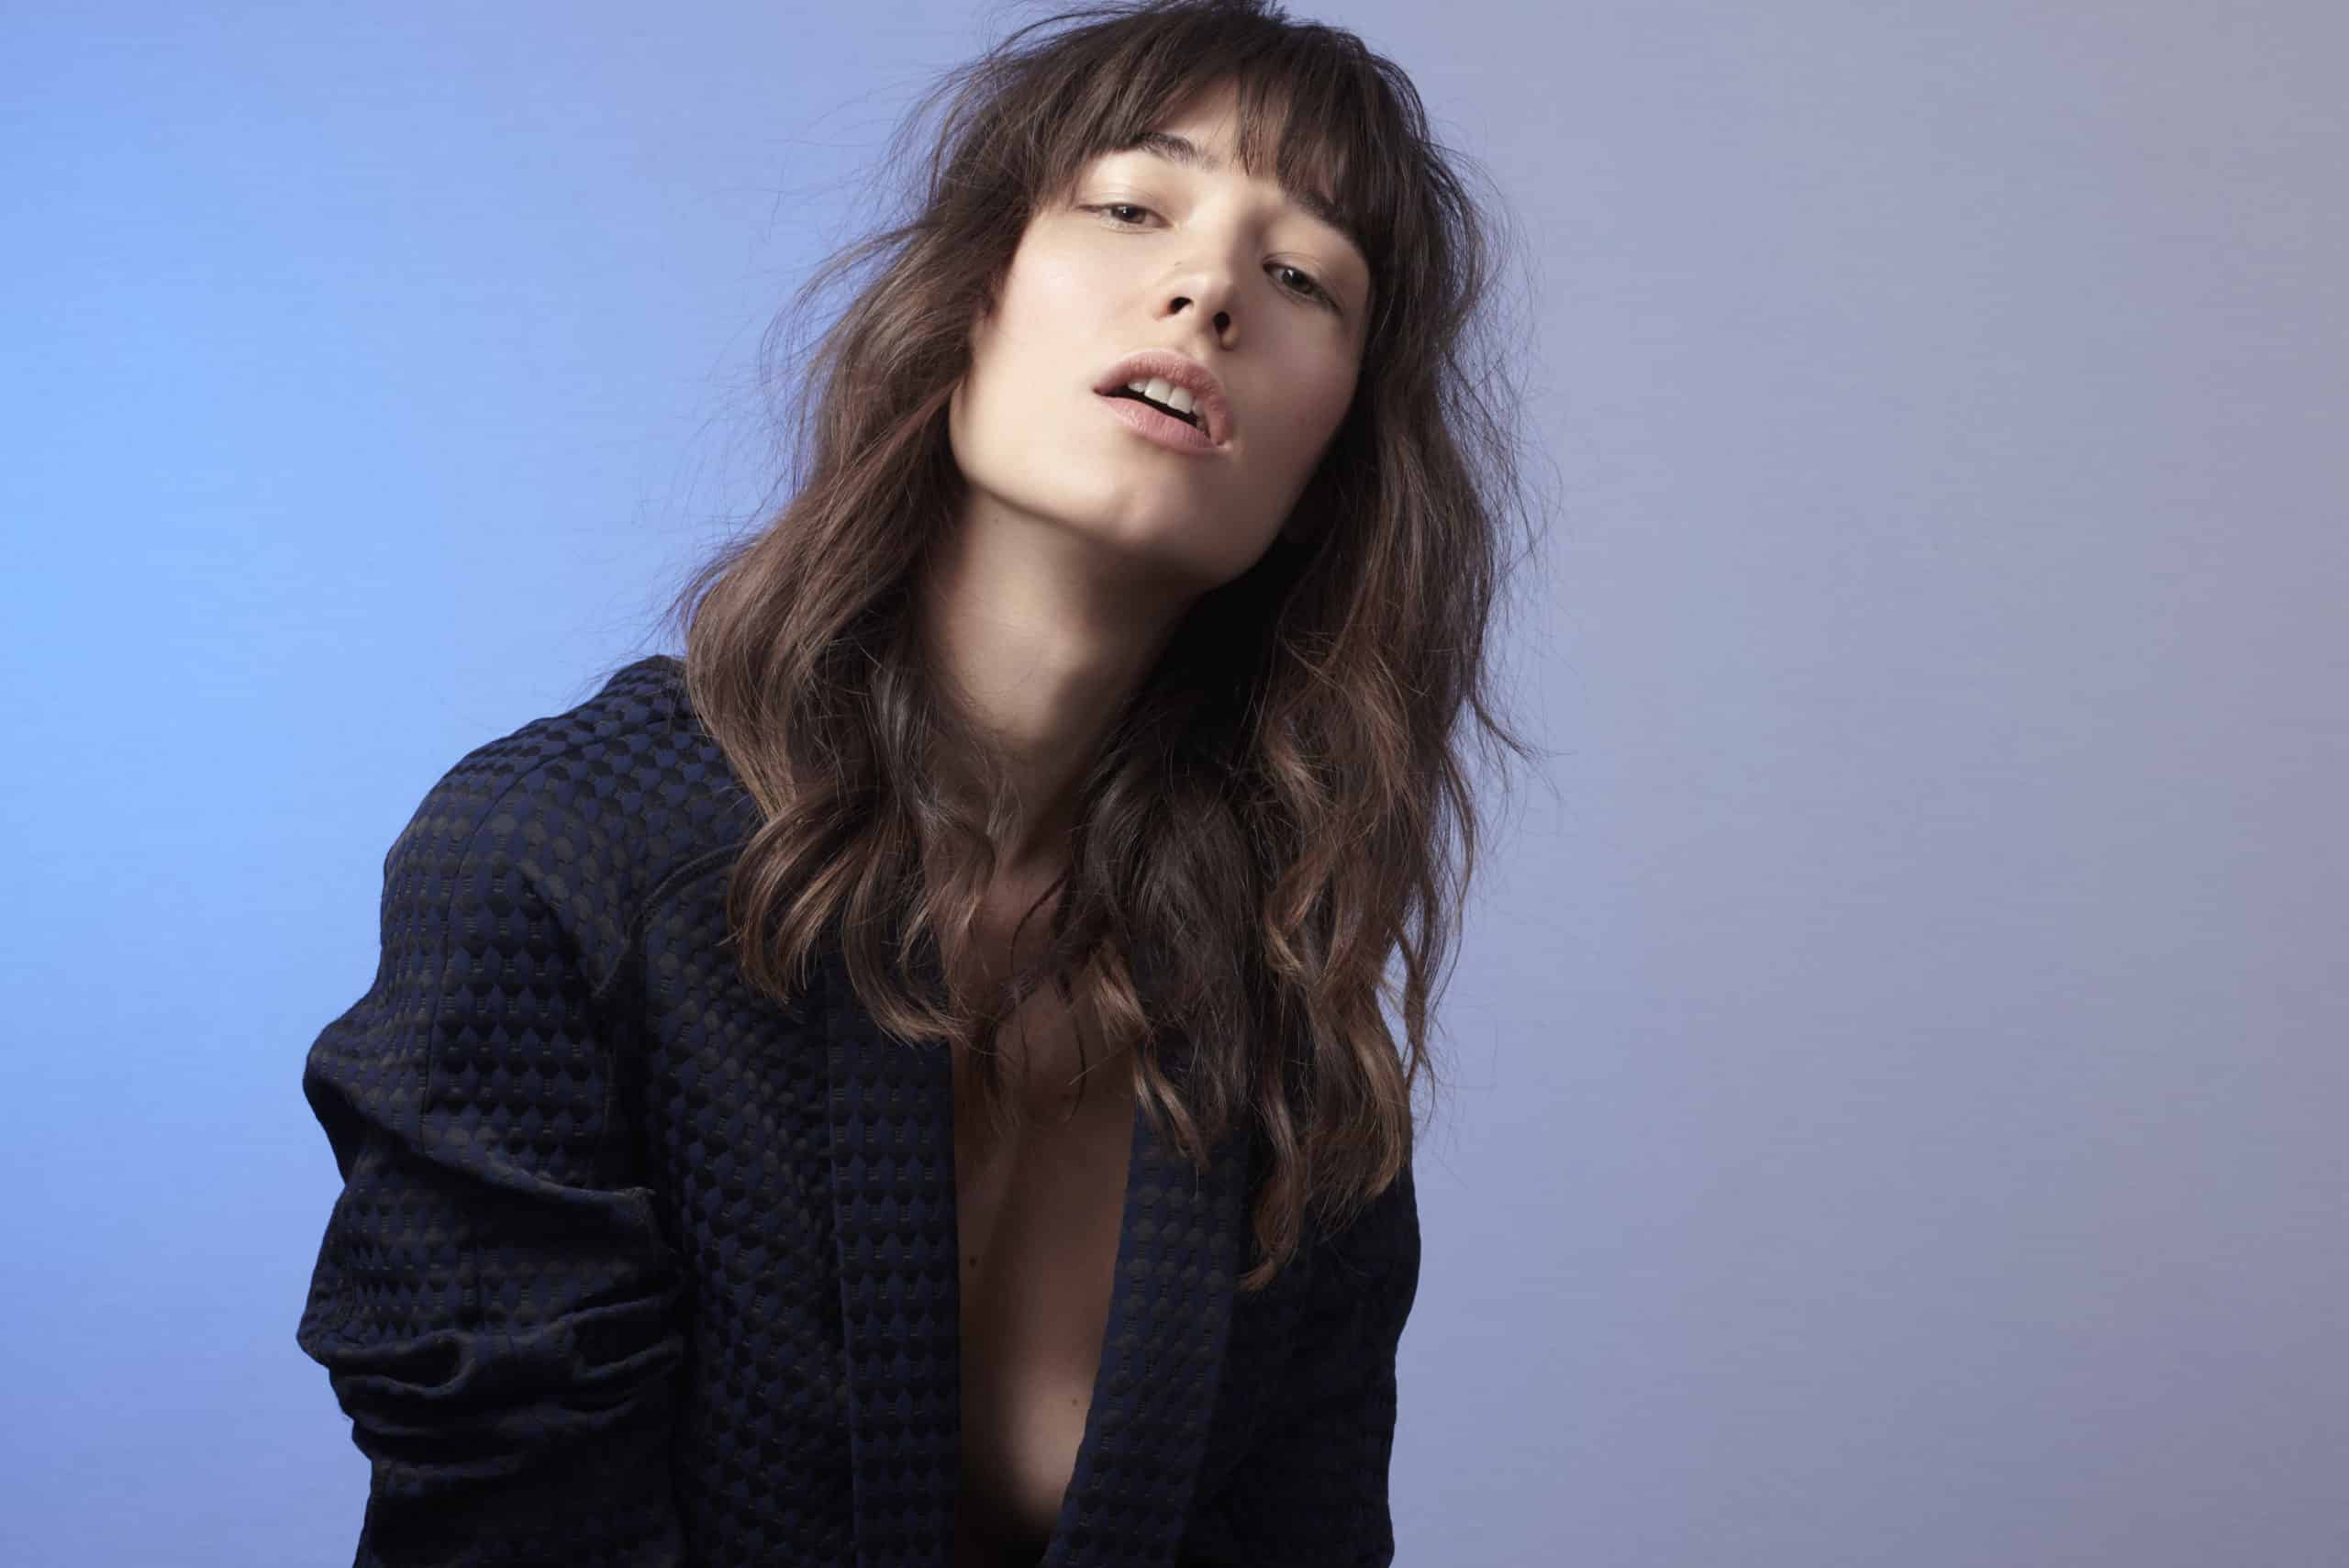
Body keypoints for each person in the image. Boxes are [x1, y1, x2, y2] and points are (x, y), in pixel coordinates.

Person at [292, 2, 1545, 1563]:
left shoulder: (1294, 1039)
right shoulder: (558, 863)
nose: (1209, 288)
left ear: (1324, 472)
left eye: (1303, 278)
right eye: (1131, 206)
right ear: (969, 305)